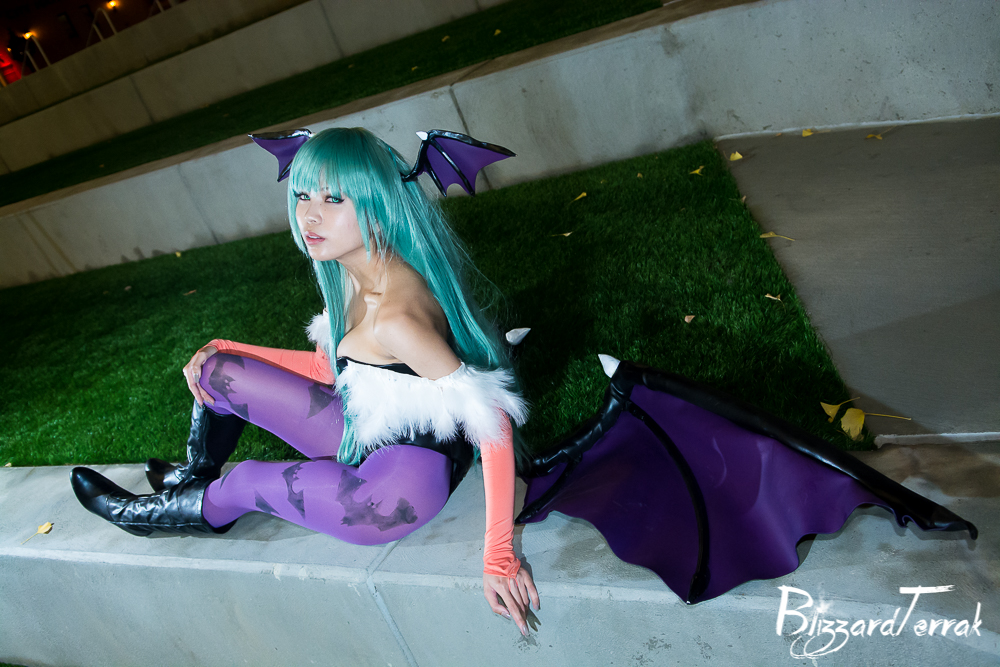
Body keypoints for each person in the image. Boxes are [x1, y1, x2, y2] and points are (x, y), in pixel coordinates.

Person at [71, 127, 539, 636]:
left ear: (379, 204)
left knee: (248, 480)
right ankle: (193, 479)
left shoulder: (395, 318)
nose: (309, 215)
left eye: (333, 200)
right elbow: (327, 370)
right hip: (370, 432)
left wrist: (499, 555)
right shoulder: (357, 272)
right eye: (302, 195)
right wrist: (227, 348)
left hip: (394, 494)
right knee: (217, 373)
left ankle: (146, 515)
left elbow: (492, 420)